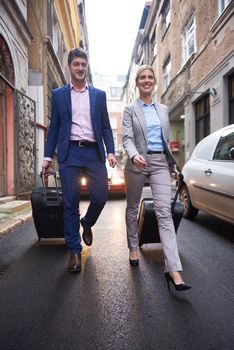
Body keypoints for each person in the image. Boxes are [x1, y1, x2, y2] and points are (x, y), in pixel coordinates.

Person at [42, 48, 117, 273]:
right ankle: (74, 251)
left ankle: (87, 223)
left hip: (94, 152)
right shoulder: (58, 95)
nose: (80, 68)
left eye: (84, 64)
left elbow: (105, 125)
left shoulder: (99, 95)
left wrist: (111, 151)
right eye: (76, 64)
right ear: (70, 67)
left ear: (87, 67)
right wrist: (47, 157)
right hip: (70, 152)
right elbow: (54, 127)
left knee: (101, 196)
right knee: (70, 203)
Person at [122, 65, 191, 291]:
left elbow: (165, 140)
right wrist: (133, 156)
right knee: (132, 207)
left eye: (150, 77)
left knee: (165, 214)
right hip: (136, 162)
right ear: (137, 82)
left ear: (154, 81)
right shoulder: (130, 110)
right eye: (142, 77)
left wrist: (172, 165)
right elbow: (127, 138)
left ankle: (173, 270)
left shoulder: (163, 109)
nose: (146, 80)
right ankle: (133, 246)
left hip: (160, 162)